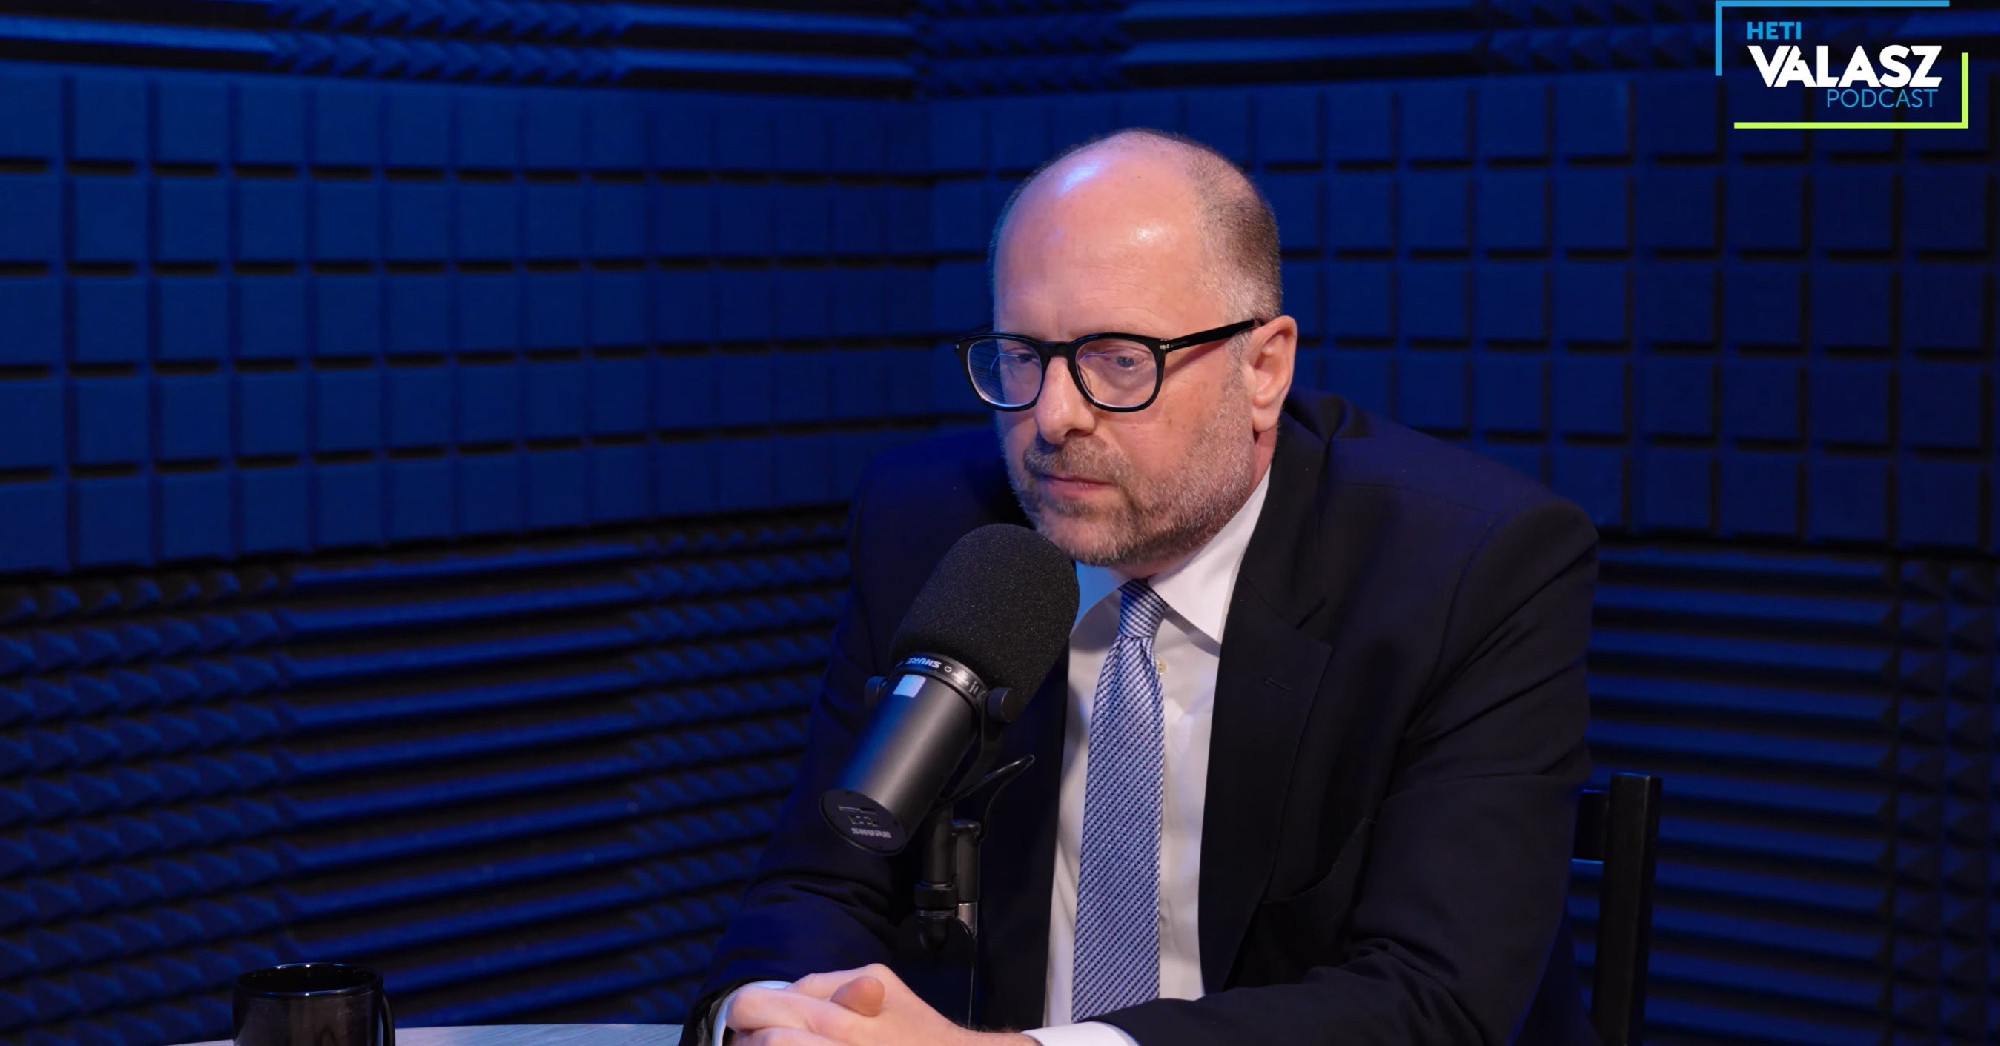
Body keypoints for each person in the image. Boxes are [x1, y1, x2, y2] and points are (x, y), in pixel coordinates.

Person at [684, 128, 1601, 1046]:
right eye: (1021, 353)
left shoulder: (1469, 570)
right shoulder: (931, 527)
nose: (1054, 417)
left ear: (1263, 369)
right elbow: (822, 879)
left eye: (1120, 359)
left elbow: (1433, 1001)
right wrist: (766, 1013)